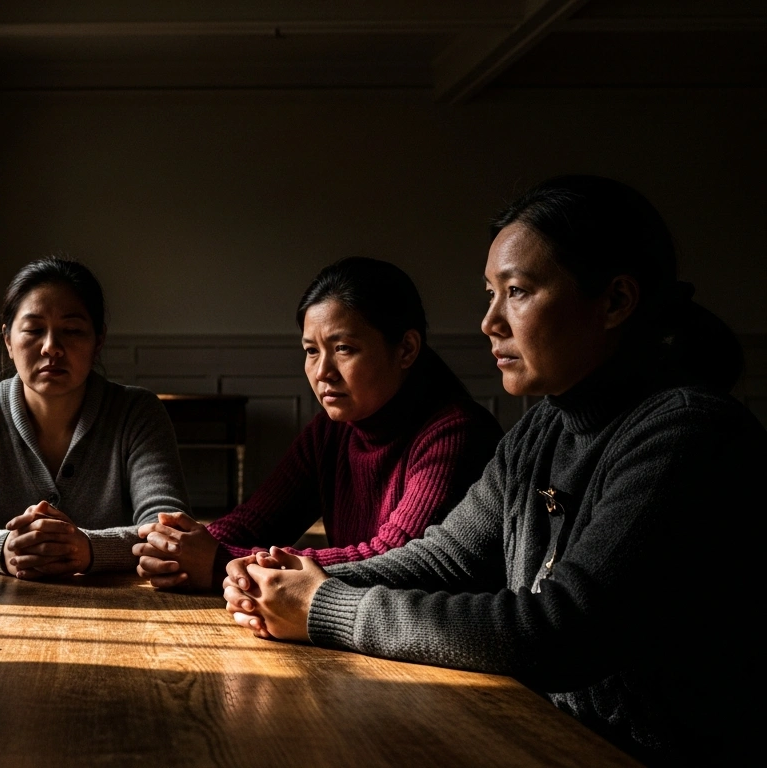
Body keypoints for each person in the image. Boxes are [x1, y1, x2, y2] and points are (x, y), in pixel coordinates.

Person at [222, 176, 760, 765]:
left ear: (615, 302)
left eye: (519, 291)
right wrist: (291, 578)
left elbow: (559, 631)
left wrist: (325, 607)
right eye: (489, 294)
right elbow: (444, 558)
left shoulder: (688, 432)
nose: (489, 323)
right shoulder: (541, 429)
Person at [133, 258, 502, 590]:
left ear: (406, 348)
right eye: (311, 351)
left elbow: (393, 558)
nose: (322, 372)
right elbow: (254, 521)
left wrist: (220, 562)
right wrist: (181, 546)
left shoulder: (457, 433)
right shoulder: (331, 431)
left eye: (343, 349)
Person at [0, 257, 189, 579]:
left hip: (118, 603)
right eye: (34, 330)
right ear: (9, 340)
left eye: (72, 330)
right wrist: (2, 548)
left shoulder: (137, 412)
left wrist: (89, 549)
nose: (52, 347)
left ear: (98, 341)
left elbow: (171, 529)